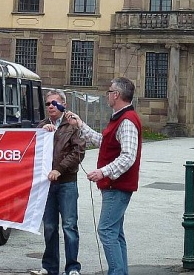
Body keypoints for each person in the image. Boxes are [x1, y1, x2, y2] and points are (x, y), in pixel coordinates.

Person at [66, 77, 142, 275]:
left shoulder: (127, 121)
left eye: (109, 91)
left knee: (107, 231)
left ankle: (116, 272)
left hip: (117, 186)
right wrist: (80, 125)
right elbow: (104, 141)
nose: (107, 95)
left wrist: (103, 172)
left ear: (116, 95)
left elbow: (128, 157)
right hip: (114, 186)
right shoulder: (120, 118)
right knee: (116, 233)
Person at [30, 91, 86, 275]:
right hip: (47, 185)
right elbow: (32, 151)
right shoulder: (42, 125)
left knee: (69, 225)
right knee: (49, 226)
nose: (51, 106)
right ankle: (49, 266)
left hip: (67, 182)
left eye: (54, 103)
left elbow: (78, 151)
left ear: (63, 104)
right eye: (47, 104)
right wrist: (41, 134)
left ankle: (72, 267)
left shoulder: (71, 124)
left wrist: (59, 169)